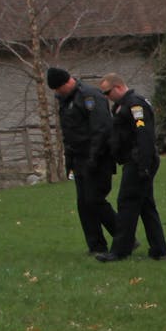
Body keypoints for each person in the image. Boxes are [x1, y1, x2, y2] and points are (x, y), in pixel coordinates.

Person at [95, 73, 166, 262]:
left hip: (139, 161)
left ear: (118, 87)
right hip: (134, 160)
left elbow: (144, 135)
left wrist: (143, 165)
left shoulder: (136, 105)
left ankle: (120, 250)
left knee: (126, 203)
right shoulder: (120, 106)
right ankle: (159, 248)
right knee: (145, 205)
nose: (106, 96)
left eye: (108, 92)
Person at [48, 67, 118, 255]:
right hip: (78, 159)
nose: (56, 93)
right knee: (83, 204)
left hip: (97, 157)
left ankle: (123, 235)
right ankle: (95, 245)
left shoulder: (89, 96)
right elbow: (69, 134)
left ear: (65, 83)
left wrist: (94, 157)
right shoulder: (66, 101)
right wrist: (69, 161)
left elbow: (101, 128)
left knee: (94, 200)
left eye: (57, 88)